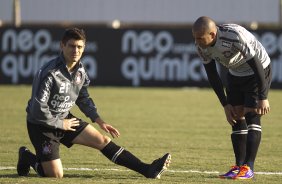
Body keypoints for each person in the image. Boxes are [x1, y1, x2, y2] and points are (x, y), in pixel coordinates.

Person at [17, 27, 171, 179]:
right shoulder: (50, 73)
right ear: (62, 46)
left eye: (79, 47)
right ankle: (26, 156)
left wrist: (99, 120)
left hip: (65, 119)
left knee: (102, 140)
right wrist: (60, 124)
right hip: (41, 125)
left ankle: (147, 170)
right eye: (71, 46)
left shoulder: (80, 71)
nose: (75, 50)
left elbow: (83, 98)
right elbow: (37, 110)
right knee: (55, 175)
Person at [192, 16, 272, 179]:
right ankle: (238, 166)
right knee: (236, 116)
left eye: (200, 38)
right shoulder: (201, 46)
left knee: (251, 114)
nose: (197, 41)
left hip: (257, 71)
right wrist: (225, 104)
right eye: (195, 38)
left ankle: (248, 168)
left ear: (212, 34)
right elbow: (212, 75)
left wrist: (263, 96)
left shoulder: (235, 37)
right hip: (235, 72)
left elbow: (256, 64)